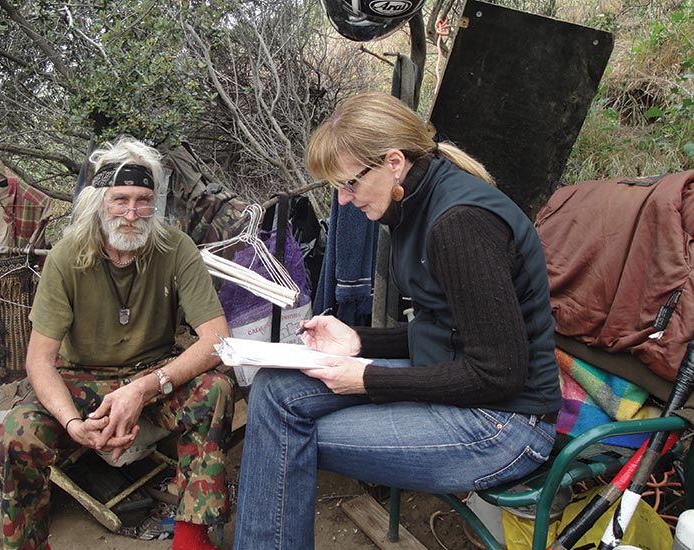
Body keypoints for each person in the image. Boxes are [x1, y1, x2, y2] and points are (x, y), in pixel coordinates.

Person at [233, 91, 562, 549]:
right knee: (275, 387)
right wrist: (358, 342)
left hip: (504, 425)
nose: (344, 202)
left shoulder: (458, 224)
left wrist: (367, 379)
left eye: (349, 184)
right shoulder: (414, 203)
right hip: (464, 390)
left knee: (282, 435)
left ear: (393, 162)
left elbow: (499, 374)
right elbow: (448, 329)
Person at [0, 137, 234, 550]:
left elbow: (217, 339)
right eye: (120, 199)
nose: (132, 212)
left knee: (216, 390)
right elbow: (40, 361)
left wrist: (144, 388)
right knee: (16, 433)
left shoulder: (176, 248)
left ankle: (191, 538)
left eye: (143, 200)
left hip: (150, 375)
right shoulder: (68, 256)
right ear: (99, 201)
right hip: (79, 379)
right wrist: (72, 423)